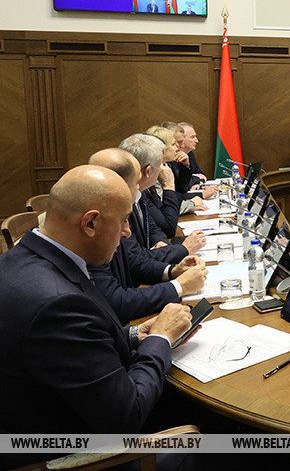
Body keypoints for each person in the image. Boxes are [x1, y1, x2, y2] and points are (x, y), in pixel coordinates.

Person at [0, 166, 192, 465]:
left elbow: (63, 351)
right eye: (124, 220)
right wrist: (161, 338)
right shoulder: (59, 305)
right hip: (77, 455)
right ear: (89, 223)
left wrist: (133, 334)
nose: (127, 232)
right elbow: (127, 416)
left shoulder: (20, 259)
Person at [87, 148, 208, 324]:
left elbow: (134, 262)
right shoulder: (95, 228)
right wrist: (180, 286)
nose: (139, 187)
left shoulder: (113, 212)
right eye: (135, 182)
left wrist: (173, 271)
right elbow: (116, 302)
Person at [118, 133, 206, 263]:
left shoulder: (140, 193)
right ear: (148, 171)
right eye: (160, 164)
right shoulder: (122, 202)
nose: (162, 169)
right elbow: (168, 227)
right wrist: (183, 249)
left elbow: (153, 228)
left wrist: (161, 243)